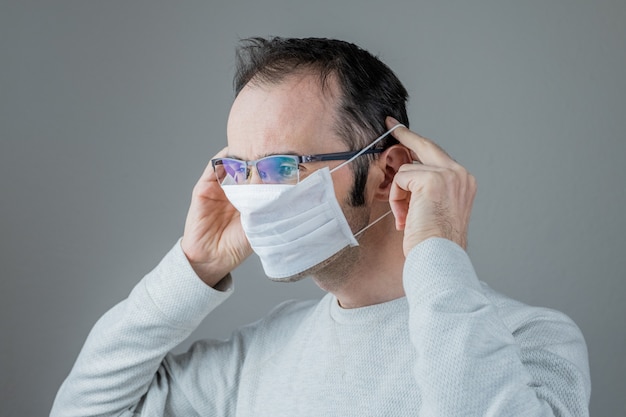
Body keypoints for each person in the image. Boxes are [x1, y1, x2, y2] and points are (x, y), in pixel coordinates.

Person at [50, 37, 591, 417]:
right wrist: (196, 266)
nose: (256, 196)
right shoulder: (260, 355)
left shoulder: (530, 341)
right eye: (243, 169)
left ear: (389, 172)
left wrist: (439, 253)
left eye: (285, 166)